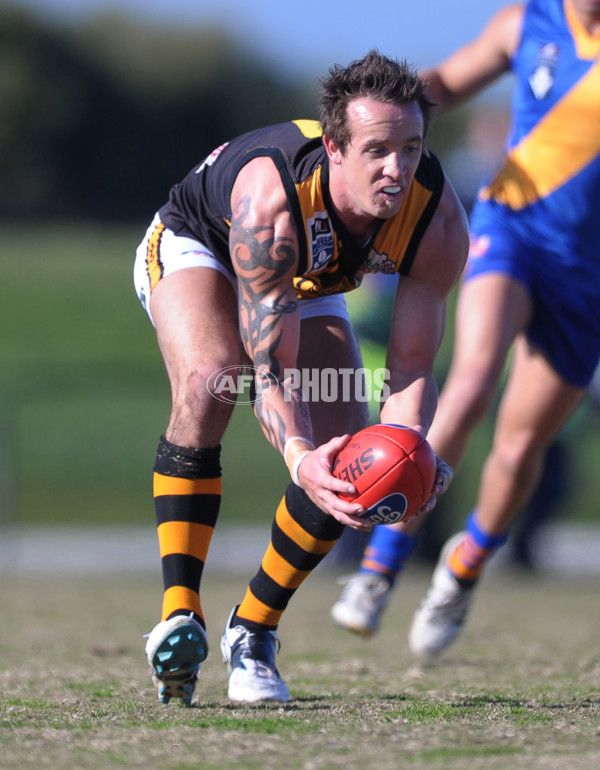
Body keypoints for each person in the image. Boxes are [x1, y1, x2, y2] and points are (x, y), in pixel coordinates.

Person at [133, 50, 468, 705]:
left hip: (309, 281)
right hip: (200, 244)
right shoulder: (273, 204)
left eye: (410, 147)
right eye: (376, 150)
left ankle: (253, 632)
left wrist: (405, 457)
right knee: (213, 379)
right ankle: (180, 611)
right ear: (335, 148)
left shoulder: (438, 217)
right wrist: (297, 455)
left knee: (353, 458)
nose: (397, 169)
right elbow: (269, 369)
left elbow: (412, 365)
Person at [331, 0, 600, 651]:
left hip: (586, 273)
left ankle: (463, 568)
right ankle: (380, 565)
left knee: (518, 447)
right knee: (473, 377)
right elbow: (443, 84)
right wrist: (367, 118)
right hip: (510, 226)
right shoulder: (527, 23)